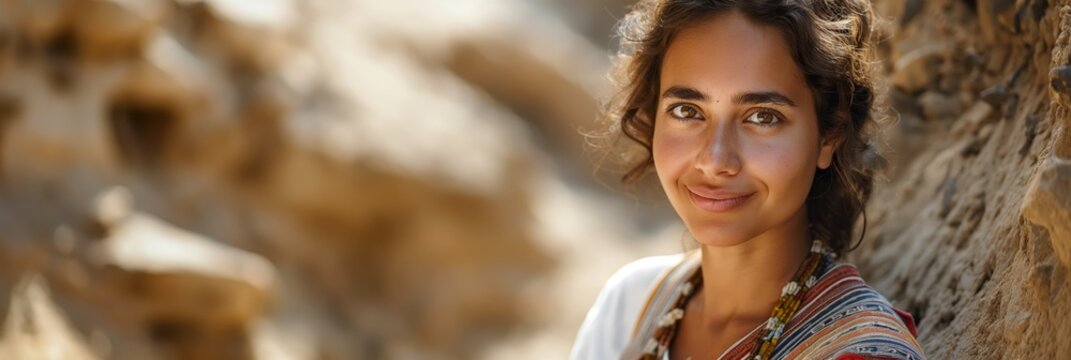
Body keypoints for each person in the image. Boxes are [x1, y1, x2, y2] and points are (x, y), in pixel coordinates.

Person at [571, 0, 926, 359]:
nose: (714, 160)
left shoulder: (861, 352)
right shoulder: (630, 307)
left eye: (762, 117)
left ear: (829, 134)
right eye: (687, 111)